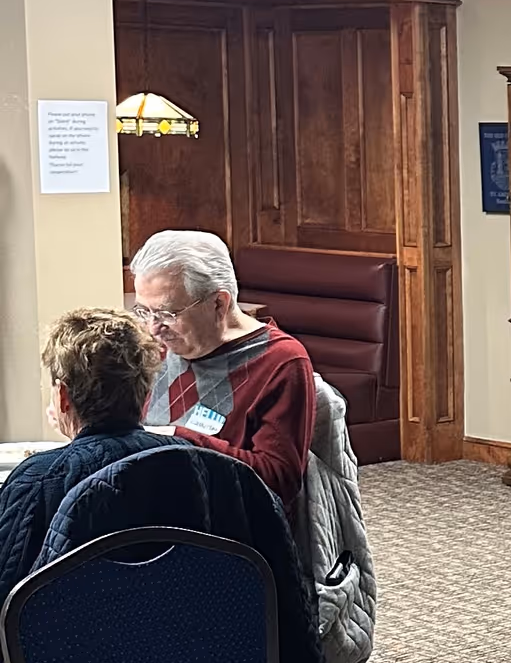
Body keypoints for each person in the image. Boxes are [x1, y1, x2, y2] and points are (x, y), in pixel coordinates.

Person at [0, 308, 184, 600]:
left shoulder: (37, 482)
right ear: (146, 393)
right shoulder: (204, 467)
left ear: (62, 397)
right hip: (198, 641)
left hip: (66, 644)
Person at [132, 229, 315, 510]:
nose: (154, 328)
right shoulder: (153, 346)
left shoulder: (279, 361)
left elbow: (279, 480)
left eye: (168, 313)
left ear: (219, 303)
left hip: (222, 527)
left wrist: (178, 441)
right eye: (144, 311)